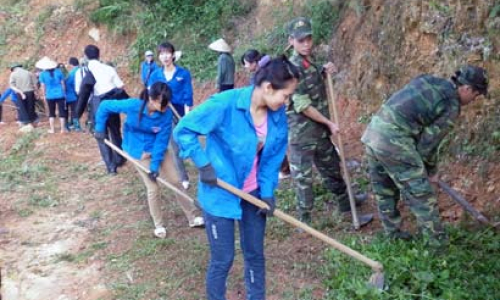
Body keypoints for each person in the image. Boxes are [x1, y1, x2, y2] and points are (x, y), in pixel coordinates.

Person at [174, 56, 299, 300]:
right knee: (223, 259)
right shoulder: (225, 104)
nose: (287, 101)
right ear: (268, 88)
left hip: (253, 193)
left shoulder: (277, 114)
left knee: (254, 254)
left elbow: (272, 157)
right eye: (285, 95)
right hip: (220, 192)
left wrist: (267, 191)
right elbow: (184, 130)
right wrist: (204, 164)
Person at [361, 65, 489, 244]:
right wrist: (430, 171)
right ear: (466, 88)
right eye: (475, 95)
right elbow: (428, 144)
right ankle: (437, 247)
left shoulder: (429, 80)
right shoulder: (451, 105)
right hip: (394, 140)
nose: (474, 100)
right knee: (422, 195)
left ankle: (393, 235)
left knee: (384, 188)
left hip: (374, 131)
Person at [286, 17, 371, 225]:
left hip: (320, 132)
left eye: (308, 39)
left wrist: (323, 72)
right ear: (291, 41)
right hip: (302, 135)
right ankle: (305, 221)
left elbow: (311, 84)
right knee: (304, 179)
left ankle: (346, 203)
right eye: (301, 40)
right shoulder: (291, 69)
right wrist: (329, 123)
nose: (306, 44)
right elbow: (303, 105)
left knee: (332, 168)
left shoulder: (308, 61)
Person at [94, 82, 204, 238]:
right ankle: (158, 225)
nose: (166, 107)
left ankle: (192, 217)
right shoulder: (133, 105)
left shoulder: (165, 115)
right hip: (136, 151)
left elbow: (161, 141)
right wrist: (99, 128)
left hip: (157, 151)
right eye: (163, 103)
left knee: (175, 181)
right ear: (153, 99)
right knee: (153, 188)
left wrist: (154, 166)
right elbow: (105, 105)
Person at [75, 44, 128, 174]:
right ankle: (120, 158)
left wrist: (77, 114)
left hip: (97, 105)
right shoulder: (109, 68)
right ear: (99, 55)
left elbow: (81, 93)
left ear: (85, 56)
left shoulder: (83, 72)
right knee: (115, 131)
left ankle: (111, 167)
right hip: (112, 103)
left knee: (101, 135)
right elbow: (120, 86)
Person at [147, 41, 193, 189]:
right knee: (167, 145)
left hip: (177, 113)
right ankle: (175, 175)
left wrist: (186, 117)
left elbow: (188, 96)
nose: (165, 57)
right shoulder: (155, 75)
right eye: (161, 54)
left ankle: (184, 175)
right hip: (161, 114)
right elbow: (150, 95)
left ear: (173, 55)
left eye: (167, 53)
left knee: (178, 145)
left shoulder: (183, 74)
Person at [37, 56, 67, 133]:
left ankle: (52, 129)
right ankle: (63, 129)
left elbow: (43, 86)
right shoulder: (59, 72)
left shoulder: (42, 74)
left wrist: (44, 95)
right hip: (60, 94)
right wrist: (64, 93)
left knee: (51, 112)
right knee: (61, 111)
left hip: (49, 95)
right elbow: (63, 84)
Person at [65, 57, 82, 131]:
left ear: (71, 64)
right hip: (81, 93)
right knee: (75, 110)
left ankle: (68, 125)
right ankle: (76, 125)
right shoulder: (83, 70)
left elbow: (69, 84)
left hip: (71, 94)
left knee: (68, 111)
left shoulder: (71, 73)